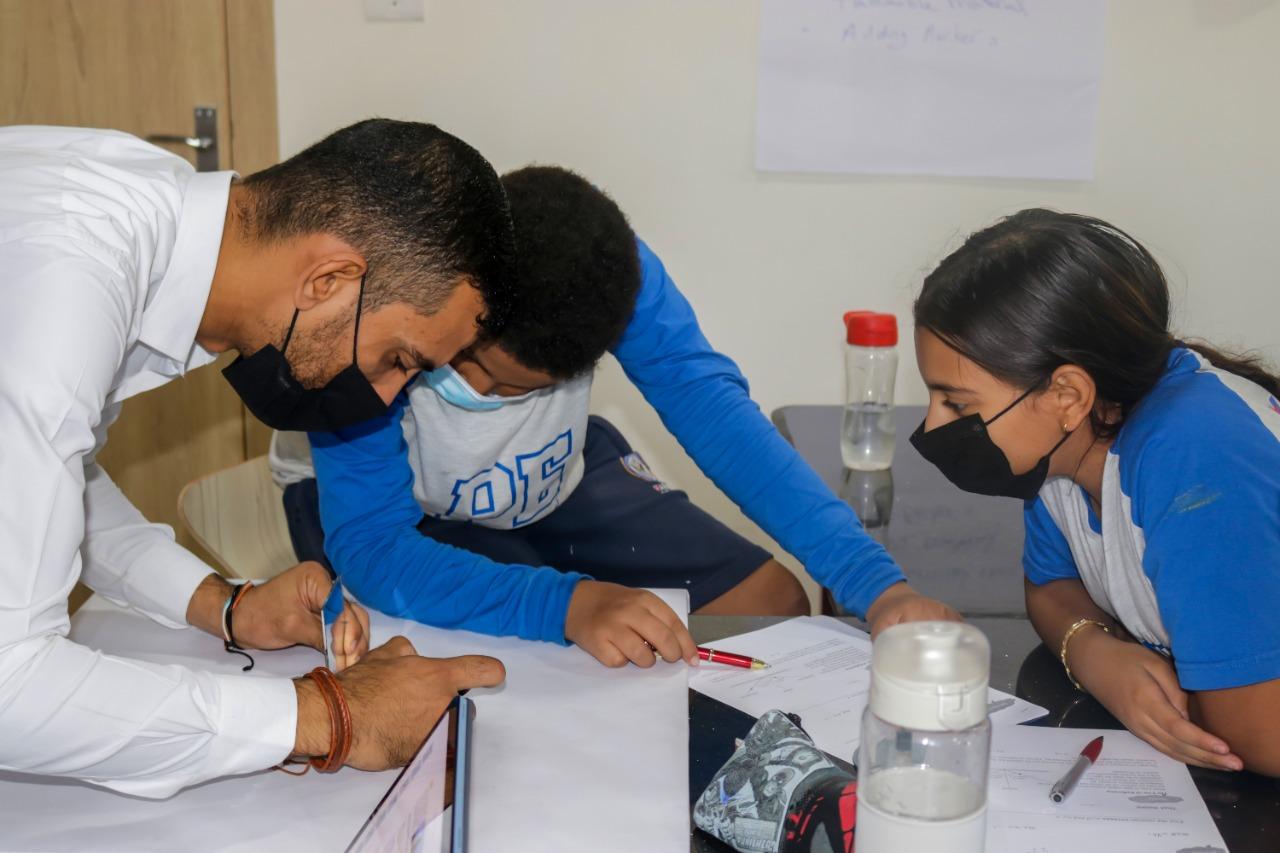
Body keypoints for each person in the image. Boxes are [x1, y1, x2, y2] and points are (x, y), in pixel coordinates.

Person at [0, 119, 513, 797]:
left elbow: (46, 480)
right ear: (329, 278)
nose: (388, 397)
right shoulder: (72, 275)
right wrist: (331, 715)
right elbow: (11, 689)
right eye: (398, 361)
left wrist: (226, 607)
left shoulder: (145, 218)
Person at [273, 165, 958, 670]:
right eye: (459, 363)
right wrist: (566, 605)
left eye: (513, 387)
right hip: (387, 516)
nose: (478, 393)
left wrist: (877, 584)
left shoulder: (610, 273)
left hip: (551, 472)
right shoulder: (377, 310)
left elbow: (716, 415)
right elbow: (374, 547)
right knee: (526, 664)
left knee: (770, 604)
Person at [910, 208, 1280, 776]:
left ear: (1066, 396)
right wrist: (1095, 654)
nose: (933, 428)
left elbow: (1258, 736)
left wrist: (1155, 690)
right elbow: (1051, 586)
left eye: (958, 404)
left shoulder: (1195, 457)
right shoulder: (1069, 451)